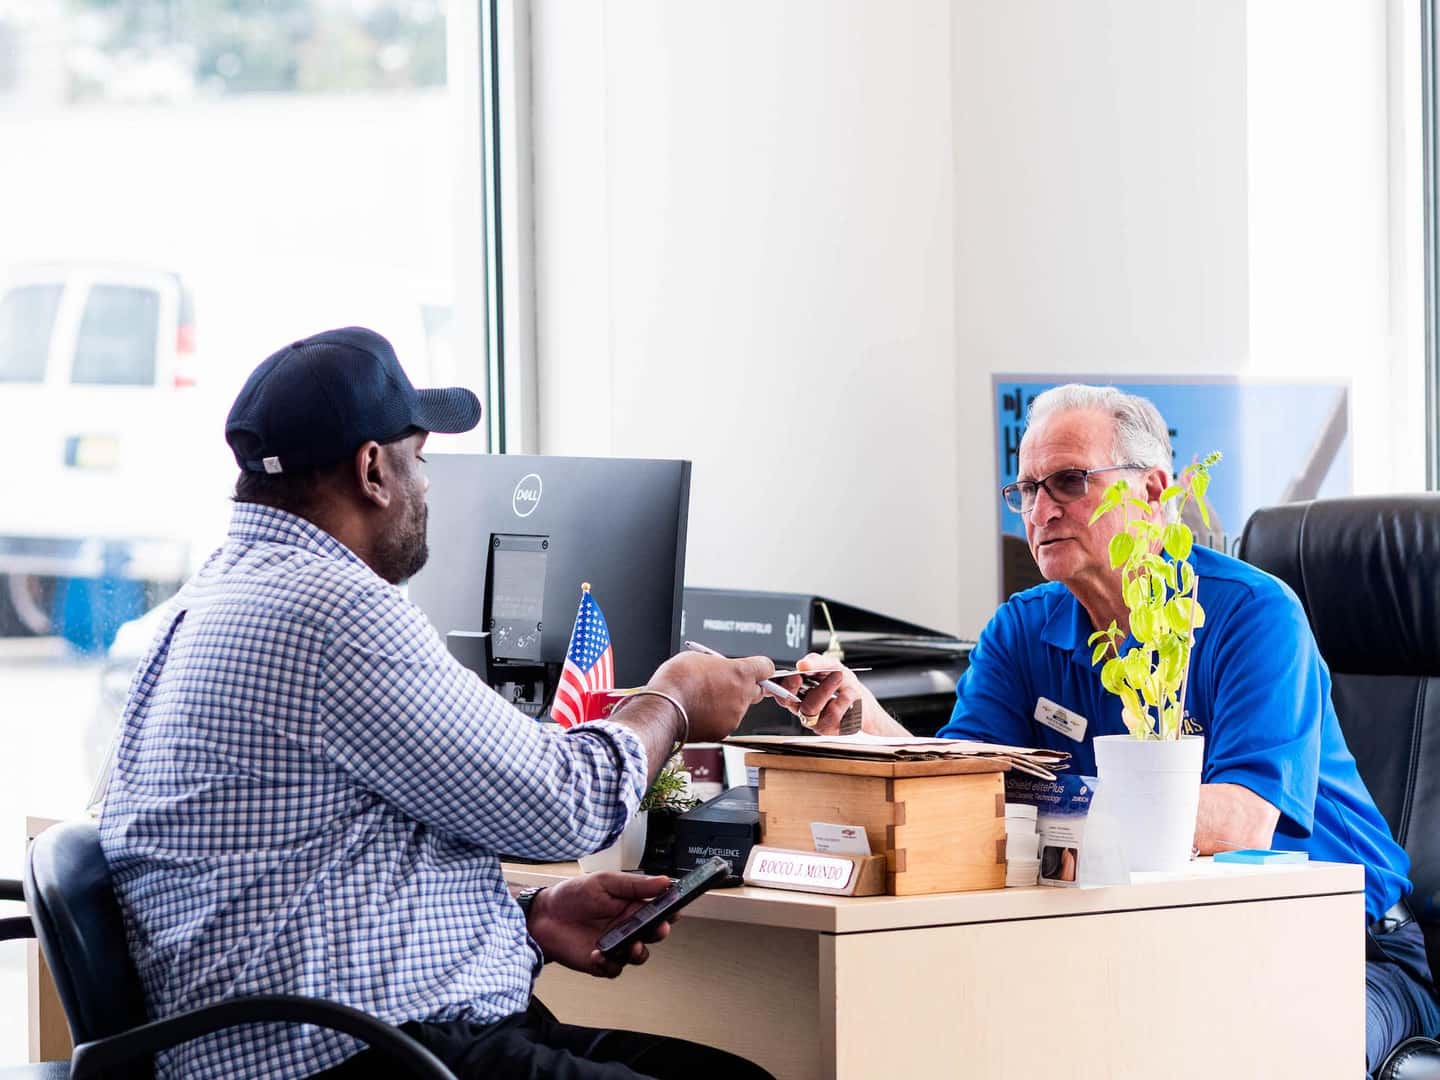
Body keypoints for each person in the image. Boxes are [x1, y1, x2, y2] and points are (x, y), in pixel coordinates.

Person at [97, 327, 776, 1080]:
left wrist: (529, 918)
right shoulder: (334, 612)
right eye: (419, 458)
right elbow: (565, 804)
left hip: (335, 1036)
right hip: (356, 1058)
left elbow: (320, 869)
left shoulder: (208, 599)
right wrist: (675, 699)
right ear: (372, 470)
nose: (428, 485)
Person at [775, 383, 1440, 1076]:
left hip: (1346, 951)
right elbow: (963, 782)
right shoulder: (1020, 630)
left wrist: (1045, 807)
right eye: (1027, 488)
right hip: (1133, 943)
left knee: (1257, 1057)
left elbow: (1240, 822)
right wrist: (866, 723)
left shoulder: (1253, 616)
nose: (1041, 508)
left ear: (1152, 492)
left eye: (1068, 481)